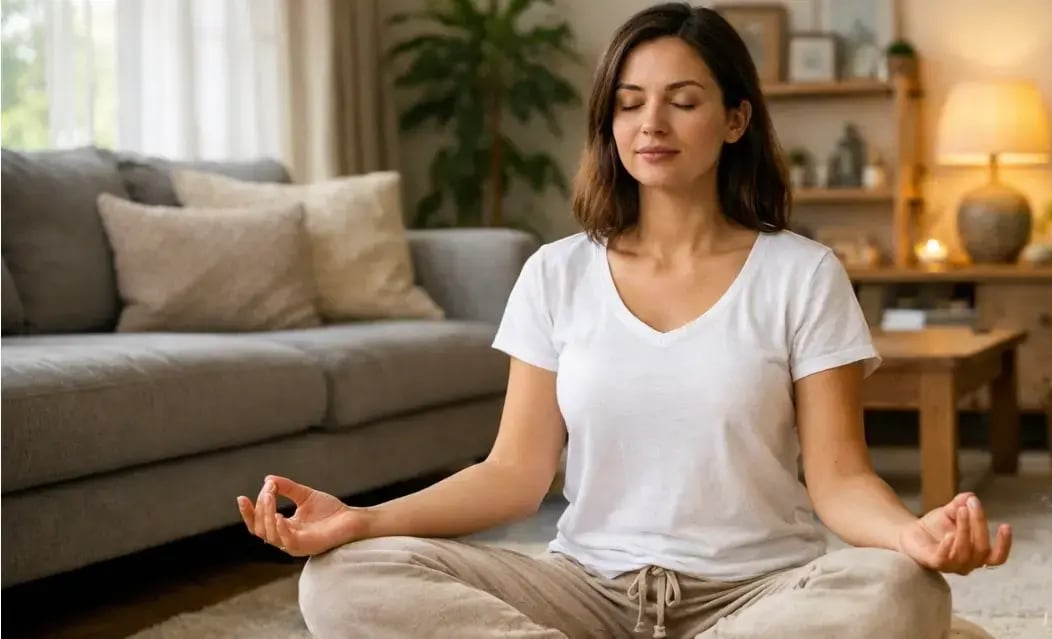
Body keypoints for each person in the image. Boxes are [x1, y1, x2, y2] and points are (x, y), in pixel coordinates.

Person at [236, 3, 1012, 637]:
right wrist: (362, 519)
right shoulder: (555, 273)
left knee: (899, 590)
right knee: (341, 578)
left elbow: (840, 478)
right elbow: (514, 474)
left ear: (736, 120)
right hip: (585, 594)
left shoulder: (802, 274)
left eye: (684, 101)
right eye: (630, 103)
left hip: (759, 598)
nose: (652, 124)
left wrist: (911, 535)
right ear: (609, 123)